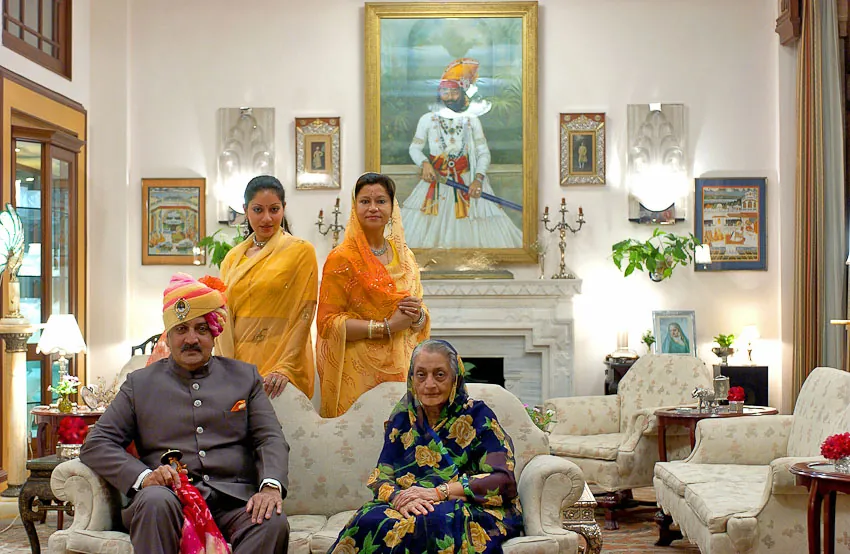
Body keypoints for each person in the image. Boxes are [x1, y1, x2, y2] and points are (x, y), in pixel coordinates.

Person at [80, 273, 290, 554]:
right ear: (168, 335)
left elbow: (270, 438)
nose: (191, 339)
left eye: (201, 329)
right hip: (168, 499)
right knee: (154, 501)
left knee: (270, 521)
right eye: (182, 329)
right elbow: (96, 444)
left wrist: (270, 486)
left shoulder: (244, 377)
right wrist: (144, 477)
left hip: (233, 501)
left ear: (214, 334)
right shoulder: (139, 384)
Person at [327, 339, 523, 553]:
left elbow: (502, 480)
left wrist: (439, 493)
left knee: (429, 522)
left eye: (439, 374)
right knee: (366, 520)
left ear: (454, 379)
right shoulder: (403, 417)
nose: (429, 384)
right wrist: (399, 499)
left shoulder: (477, 416)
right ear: (412, 379)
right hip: (411, 501)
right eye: (421, 375)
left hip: (469, 505)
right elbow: (382, 476)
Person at [317, 172, 430, 417]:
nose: (373, 208)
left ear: (392, 207)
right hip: (358, 372)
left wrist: (417, 316)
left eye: (381, 201)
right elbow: (327, 324)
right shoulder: (342, 258)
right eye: (365, 201)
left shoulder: (405, 257)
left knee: (403, 443)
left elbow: (420, 316)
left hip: (402, 366)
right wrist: (387, 326)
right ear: (354, 207)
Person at [401, 57, 523, 249]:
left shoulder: (472, 120)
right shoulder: (427, 119)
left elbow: (483, 153)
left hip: (467, 182)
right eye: (444, 91)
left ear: (462, 93)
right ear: (439, 92)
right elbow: (414, 148)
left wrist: (478, 179)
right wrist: (424, 163)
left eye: (454, 92)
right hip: (437, 183)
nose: (449, 97)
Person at [215, 175, 318, 400]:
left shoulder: (300, 251)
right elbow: (223, 315)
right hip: (238, 365)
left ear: (284, 208)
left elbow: (305, 312)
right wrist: (225, 367)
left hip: (280, 368)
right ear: (245, 209)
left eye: (274, 209)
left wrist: (285, 367)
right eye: (258, 210)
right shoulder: (233, 258)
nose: (267, 218)